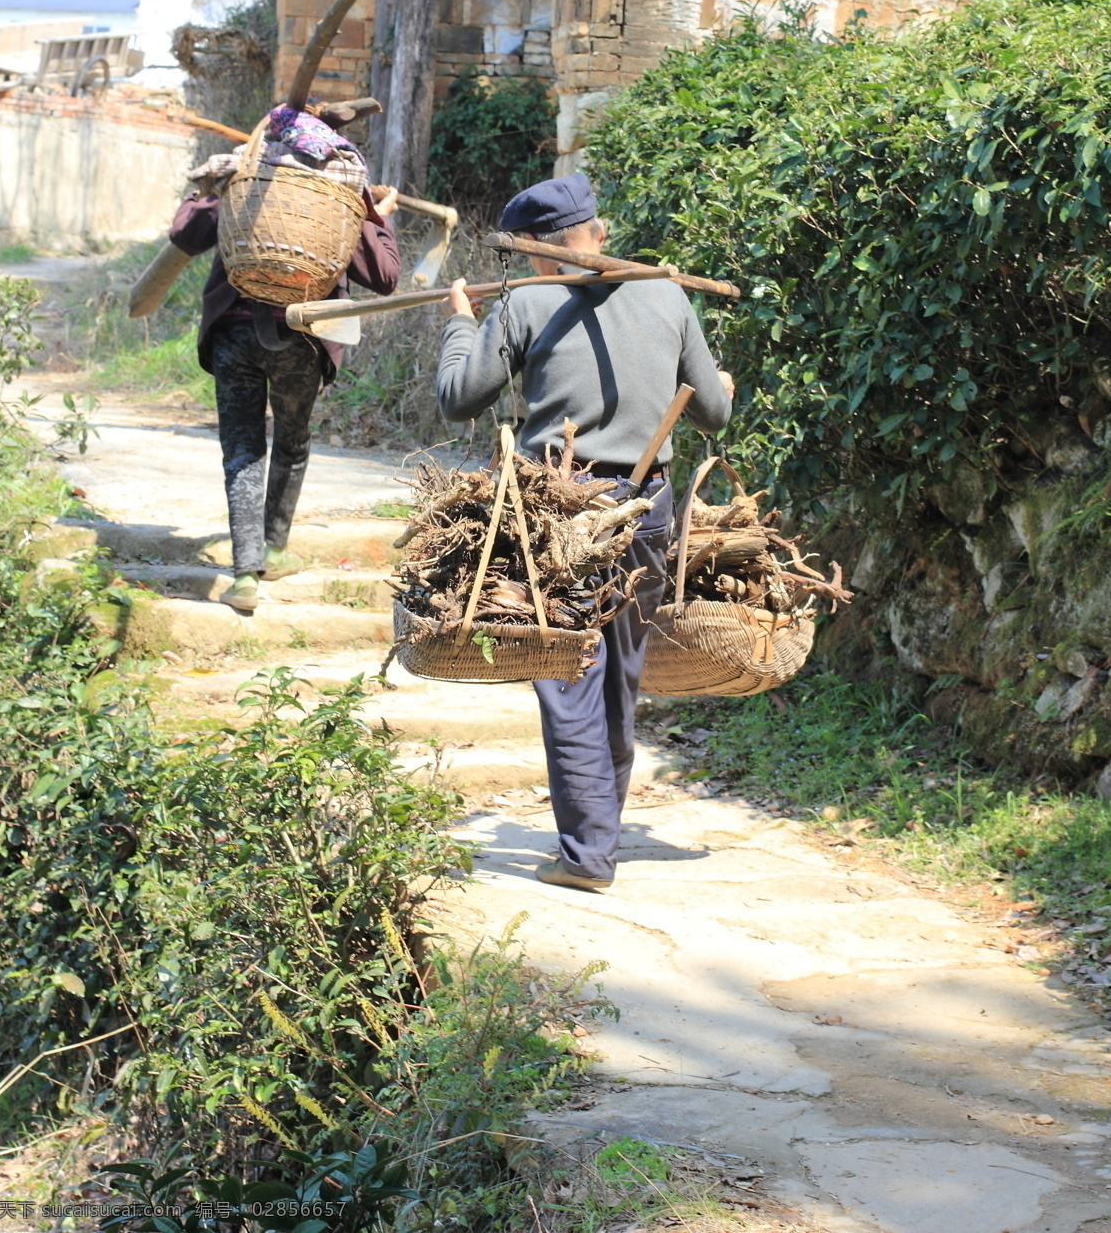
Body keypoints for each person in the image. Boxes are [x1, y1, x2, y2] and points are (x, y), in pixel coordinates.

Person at [437, 171, 733, 891]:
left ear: (538, 249)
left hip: (560, 509)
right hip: (647, 506)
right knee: (617, 674)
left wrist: (459, 323)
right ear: (597, 234)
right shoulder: (666, 293)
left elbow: (457, 397)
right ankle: (597, 833)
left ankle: (589, 853)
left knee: (566, 668)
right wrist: (717, 376)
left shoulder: (525, 302)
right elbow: (715, 412)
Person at [168, 105, 401, 613]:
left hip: (234, 331)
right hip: (303, 337)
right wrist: (377, 218)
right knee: (292, 442)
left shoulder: (249, 167)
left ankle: (244, 576)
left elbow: (186, 235)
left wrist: (205, 189)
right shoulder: (342, 190)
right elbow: (384, 277)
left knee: (242, 448)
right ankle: (275, 549)